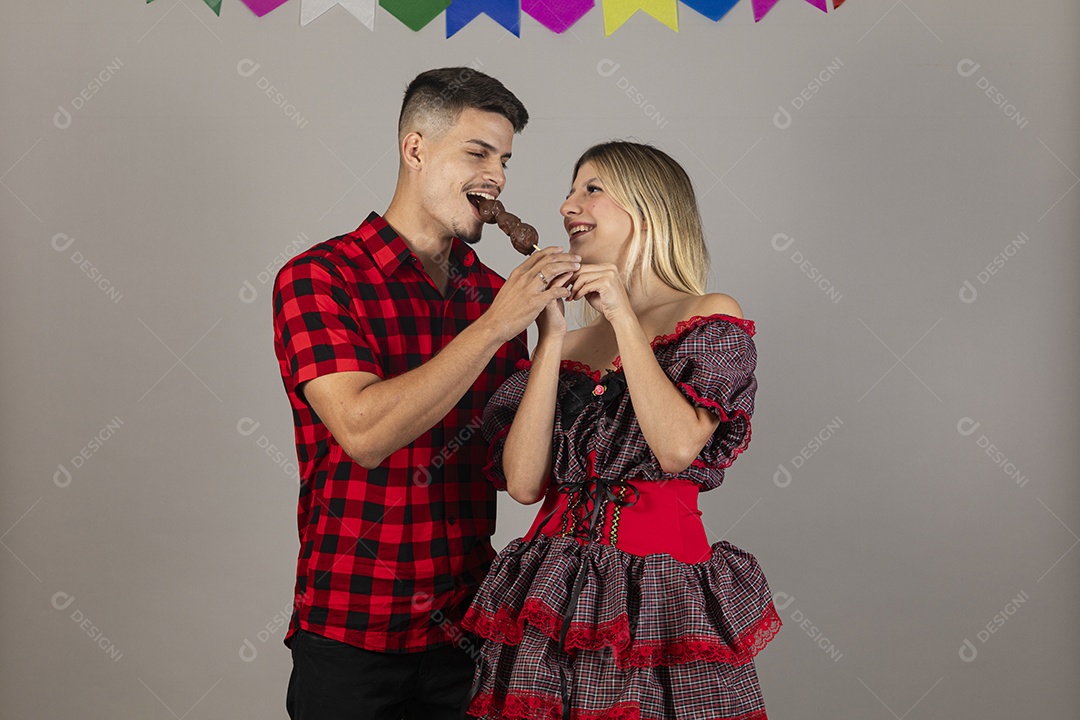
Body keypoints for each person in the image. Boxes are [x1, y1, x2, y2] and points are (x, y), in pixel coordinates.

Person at [271, 67, 580, 720]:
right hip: (351, 634)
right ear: (415, 149)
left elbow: (515, 478)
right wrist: (500, 321)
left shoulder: (498, 294)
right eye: (477, 152)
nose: (496, 176)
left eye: (504, 160)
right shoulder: (319, 278)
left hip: (467, 636)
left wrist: (562, 340)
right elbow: (364, 433)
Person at [461, 140, 782, 720]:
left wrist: (622, 317)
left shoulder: (709, 315)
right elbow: (525, 481)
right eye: (569, 189)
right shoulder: (572, 345)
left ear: (649, 207)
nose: (567, 205)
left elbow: (678, 448)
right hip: (552, 590)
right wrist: (551, 337)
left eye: (591, 188)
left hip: (659, 595)